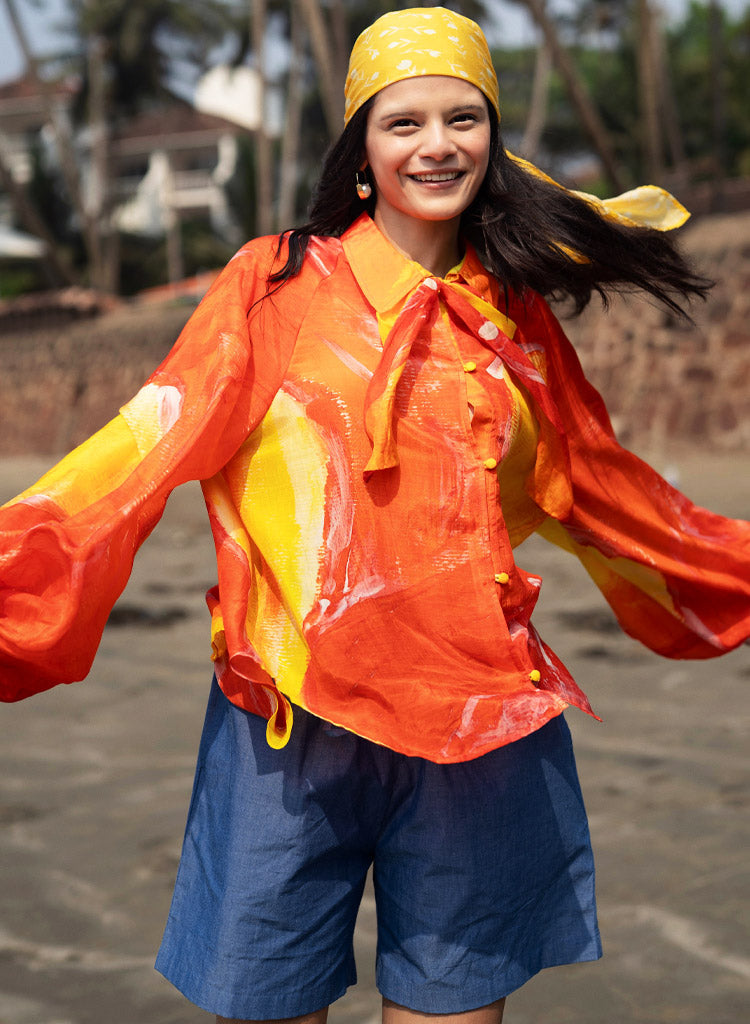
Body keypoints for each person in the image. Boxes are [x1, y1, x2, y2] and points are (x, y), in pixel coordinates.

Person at [1, 7, 749, 1024]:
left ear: (494, 136)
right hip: (287, 726)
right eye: (404, 122)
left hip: (479, 729)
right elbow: (142, 448)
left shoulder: (514, 318)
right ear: (361, 145)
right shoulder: (272, 288)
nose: (436, 145)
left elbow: (610, 491)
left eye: (462, 118)